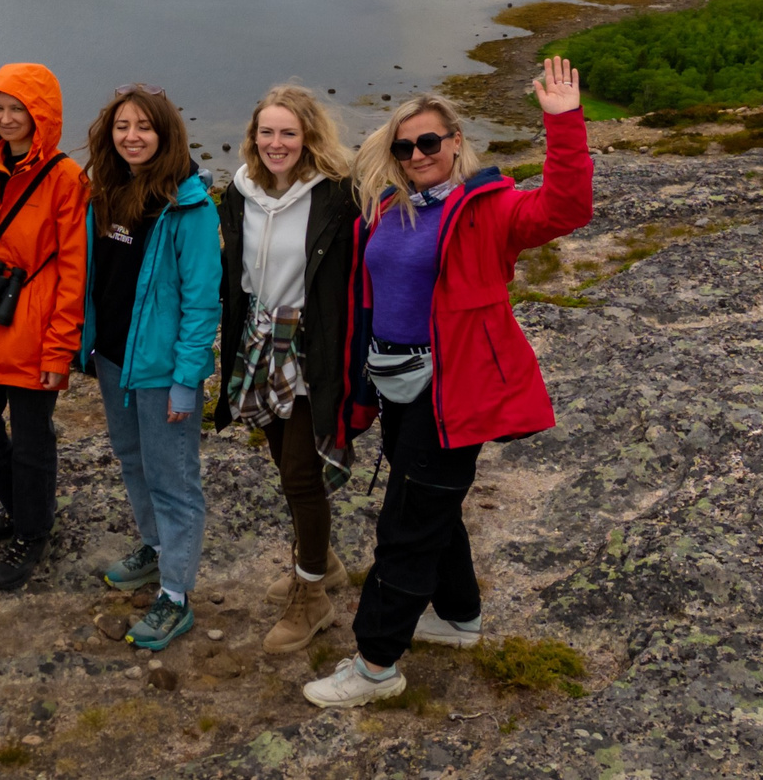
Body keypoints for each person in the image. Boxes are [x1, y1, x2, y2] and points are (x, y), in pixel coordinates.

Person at [304, 56, 593, 709]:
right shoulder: (386, 206)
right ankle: (460, 616)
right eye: (404, 146)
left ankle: (377, 665)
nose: (416, 154)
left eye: (429, 142)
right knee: (431, 505)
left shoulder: (489, 210)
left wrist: (564, 123)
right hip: (397, 384)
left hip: (452, 391)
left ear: (456, 141)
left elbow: (569, 206)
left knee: (407, 524)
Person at [214, 85, 357, 655]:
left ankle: (313, 598)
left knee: (301, 471)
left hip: (310, 344)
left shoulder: (339, 197)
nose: (275, 143)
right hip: (256, 340)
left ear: (309, 137)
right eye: (266, 132)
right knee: (283, 462)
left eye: (288, 133)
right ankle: (322, 561)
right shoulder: (239, 195)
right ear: (253, 137)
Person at [79, 84, 219, 651]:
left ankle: (176, 596)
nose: (132, 136)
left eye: (143, 126)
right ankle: (155, 546)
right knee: (133, 459)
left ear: (165, 133)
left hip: (163, 371)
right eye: (122, 126)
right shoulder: (109, 191)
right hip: (115, 360)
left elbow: (202, 301)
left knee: (174, 479)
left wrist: (187, 380)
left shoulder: (188, 206)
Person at [0, 64, 89, 591]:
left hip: (33, 332)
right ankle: (23, 504)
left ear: (42, 115)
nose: (6, 119)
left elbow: (73, 272)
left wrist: (59, 351)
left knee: (32, 443)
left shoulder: (65, 180)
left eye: (18, 109)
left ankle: (33, 530)